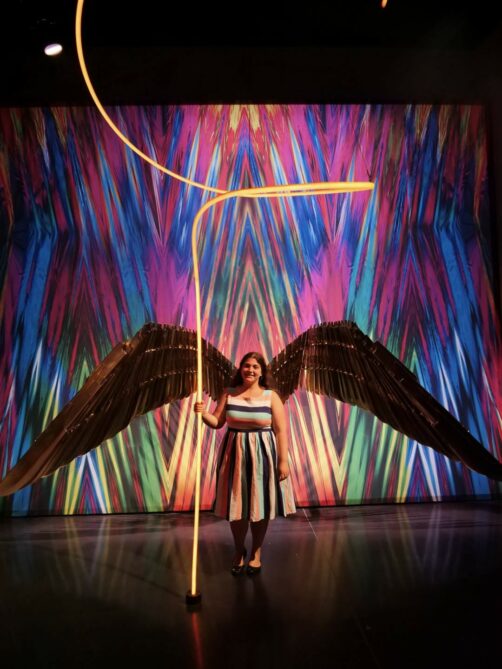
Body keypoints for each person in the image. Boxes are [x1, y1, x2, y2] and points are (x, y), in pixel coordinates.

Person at [194, 351, 296, 575]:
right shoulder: (229, 393)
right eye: (247, 365)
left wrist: (283, 461)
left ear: (261, 372)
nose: (250, 370)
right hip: (235, 454)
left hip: (263, 455)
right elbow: (217, 422)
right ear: (241, 369)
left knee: (260, 506)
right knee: (237, 506)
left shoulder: (271, 397)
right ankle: (239, 550)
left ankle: (256, 553)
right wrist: (202, 414)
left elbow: (281, 431)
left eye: (255, 367)